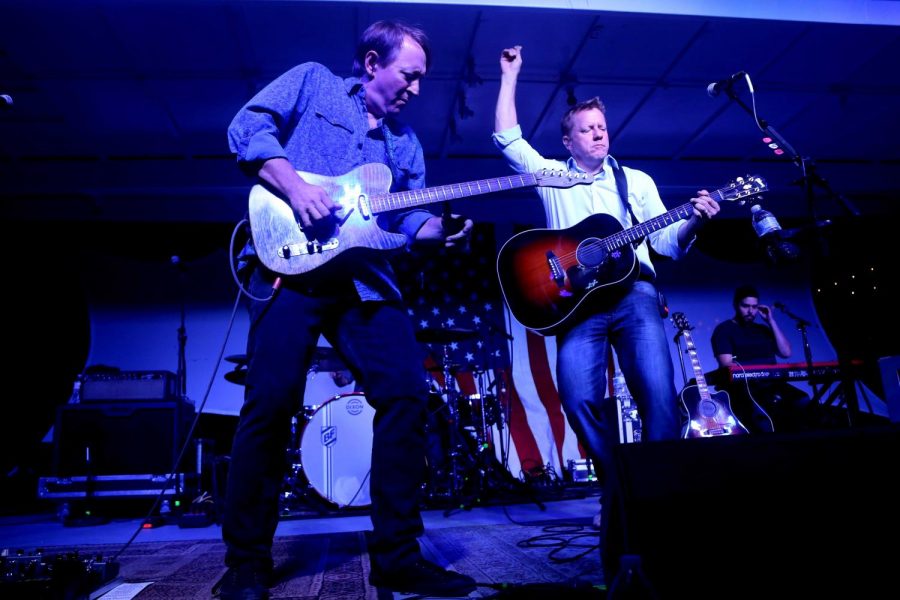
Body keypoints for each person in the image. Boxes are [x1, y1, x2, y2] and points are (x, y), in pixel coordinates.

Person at [217, 20, 476, 600]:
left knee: (407, 394)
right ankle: (247, 562)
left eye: (421, 80)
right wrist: (295, 188)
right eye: (409, 75)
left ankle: (398, 557)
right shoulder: (313, 84)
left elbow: (408, 224)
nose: (416, 88)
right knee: (270, 402)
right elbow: (247, 126)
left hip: (365, 282)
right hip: (292, 269)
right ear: (371, 63)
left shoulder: (405, 145)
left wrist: (442, 228)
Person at [493, 44, 721, 577]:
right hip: (578, 308)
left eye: (603, 126)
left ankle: (659, 500)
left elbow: (664, 244)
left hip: (636, 295)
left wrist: (697, 220)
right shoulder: (551, 174)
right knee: (575, 397)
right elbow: (507, 138)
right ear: (569, 140)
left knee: (659, 400)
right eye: (588, 128)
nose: (599, 133)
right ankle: (620, 486)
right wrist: (510, 75)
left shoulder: (635, 183)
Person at [711, 285, 816, 433]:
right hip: (745, 386)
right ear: (736, 305)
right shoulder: (724, 330)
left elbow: (786, 352)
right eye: (746, 306)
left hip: (772, 384)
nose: (750, 311)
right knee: (763, 413)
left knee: (802, 400)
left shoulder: (764, 329)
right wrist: (756, 370)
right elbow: (726, 363)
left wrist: (771, 321)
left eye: (754, 307)